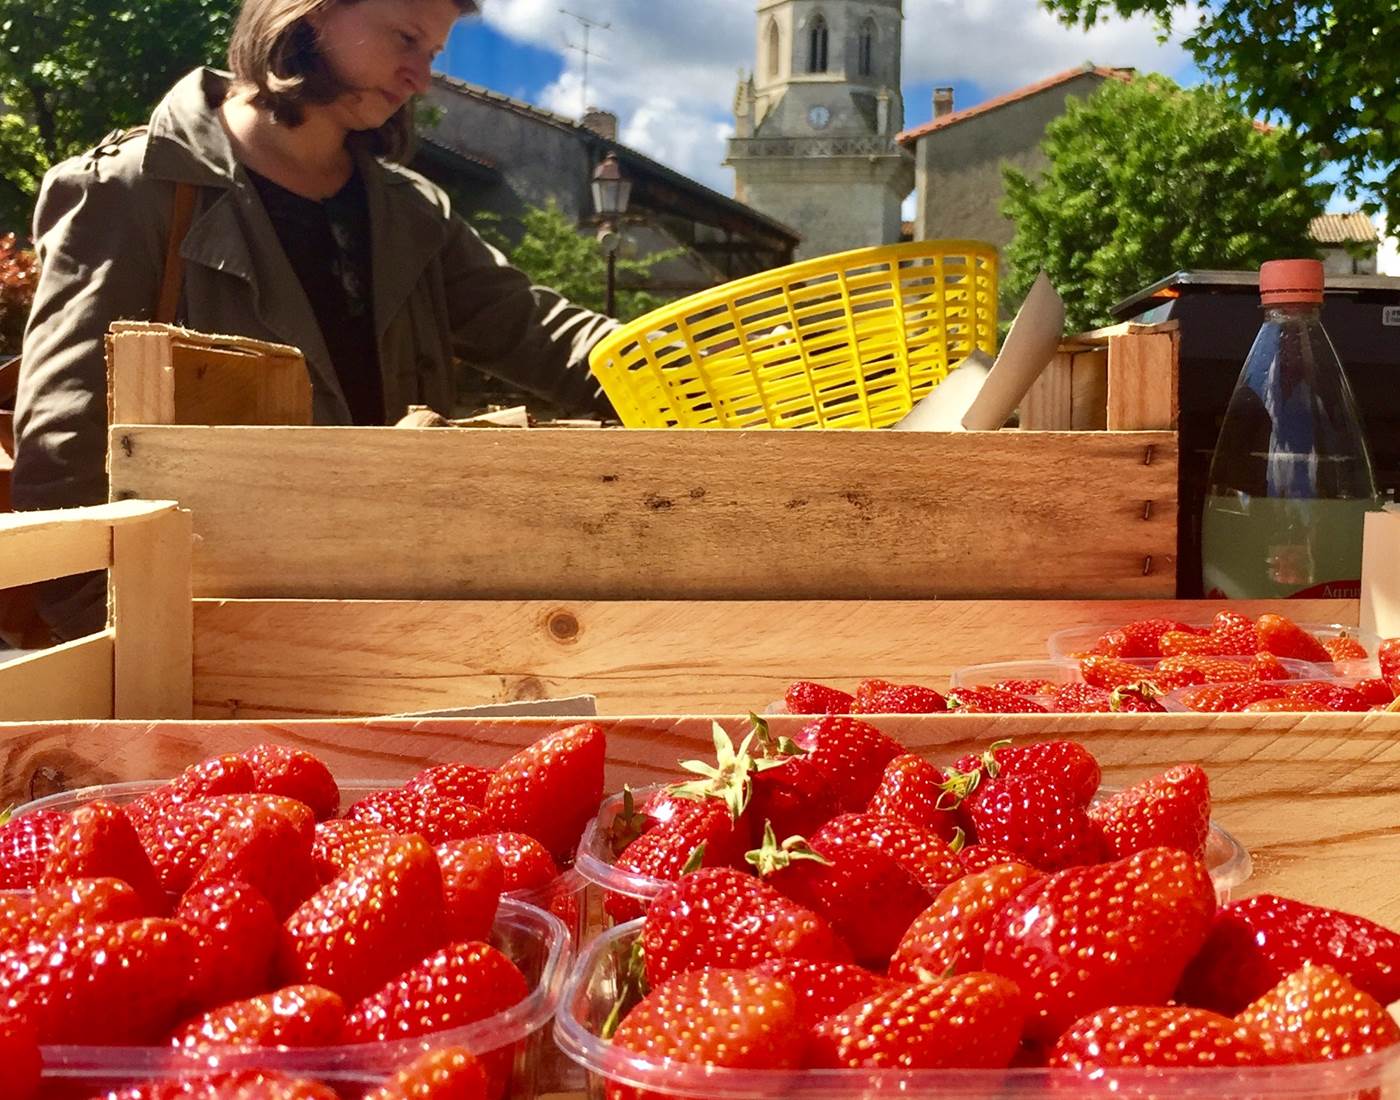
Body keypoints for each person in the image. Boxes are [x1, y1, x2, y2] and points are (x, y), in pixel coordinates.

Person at [13, 0, 618, 639]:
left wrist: (672, 362)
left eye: (432, 54)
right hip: (197, 636)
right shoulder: (129, 188)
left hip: (397, 625)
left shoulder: (414, 211)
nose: (420, 78)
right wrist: (124, 642)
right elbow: (62, 455)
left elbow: (537, 330)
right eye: (406, 39)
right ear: (310, 13)